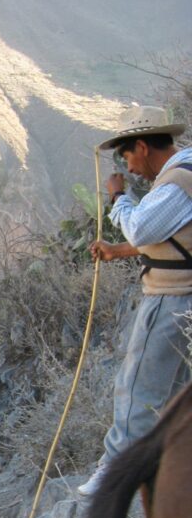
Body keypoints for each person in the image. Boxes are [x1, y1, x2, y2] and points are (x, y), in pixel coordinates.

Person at [80, 104, 192, 495]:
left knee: (138, 384)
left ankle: (117, 471)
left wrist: (118, 198)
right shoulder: (186, 171)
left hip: (172, 299)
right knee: (177, 390)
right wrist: (118, 251)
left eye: (127, 156)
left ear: (142, 146)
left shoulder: (178, 181)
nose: (129, 168)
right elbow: (174, 236)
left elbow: (143, 228)